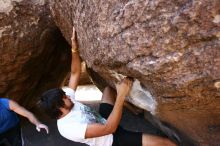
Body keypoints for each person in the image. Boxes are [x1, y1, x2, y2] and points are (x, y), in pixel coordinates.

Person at [40, 27, 177, 146]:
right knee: (167, 144)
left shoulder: (66, 102)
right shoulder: (70, 128)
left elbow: (75, 73)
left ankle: (134, 111)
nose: (68, 96)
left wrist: (74, 49)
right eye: (64, 98)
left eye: (64, 94)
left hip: (101, 119)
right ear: (59, 108)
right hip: (112, 139)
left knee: (108, 90)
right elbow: (109, 128)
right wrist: (122, 95)